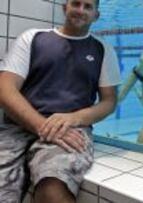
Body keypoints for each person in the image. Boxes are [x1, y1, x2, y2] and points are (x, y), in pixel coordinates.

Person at [0, 0, 120, 202]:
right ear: (65, 7)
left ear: (96, 15)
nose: (81, 10)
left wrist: (75, 118)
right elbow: (5, 89)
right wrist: (42, 126)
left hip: (70, 130)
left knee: (53, 187)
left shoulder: (103, 51)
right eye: (76, 3)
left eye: (88, 6)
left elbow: (109, 102)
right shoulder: (32, 38)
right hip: (18, 127)